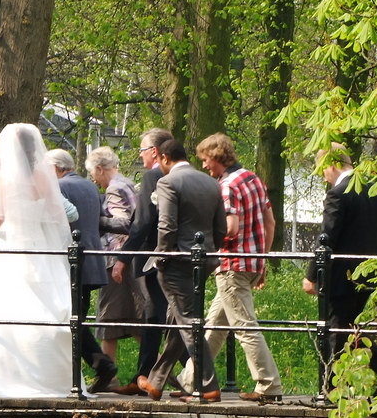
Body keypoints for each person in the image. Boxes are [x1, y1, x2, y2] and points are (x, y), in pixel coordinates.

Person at [0, 123, 75, 398]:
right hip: (40, 249)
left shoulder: (2, 179)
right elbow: (57, 214)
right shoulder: (43, 177)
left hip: (12, 246)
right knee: (43, 305)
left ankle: (1, 374)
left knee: (4, 307)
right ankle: (54, 378)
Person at [176, 133, 282, 403]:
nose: (204, 166)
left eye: (205, 160)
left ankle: (269, 384)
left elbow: (231, 227)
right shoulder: (253, 179)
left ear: (217, 156)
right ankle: (191, 381)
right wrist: (262, 260)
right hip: (250, 263)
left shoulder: (226, 186)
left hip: (232, 264)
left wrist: (204, 243)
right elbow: (270, 222)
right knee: (214, 326)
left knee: (244, 326)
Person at [136, 139, 228, 403]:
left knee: (187, 321)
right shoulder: (212, 183)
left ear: (164, 158)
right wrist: (208, 251)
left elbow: (166, 226)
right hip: (203, 260)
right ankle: (156, 382)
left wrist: (162, 258)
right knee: (176, 319)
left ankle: (208, 386)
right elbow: (220, 228)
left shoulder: (168, 183)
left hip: (177, 262)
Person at [301, 143, 377, 383]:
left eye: (322, 170)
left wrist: (311, 275)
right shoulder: (375, 190)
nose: (323, 176)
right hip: (369, 273)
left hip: (342, 276)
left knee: (337, 332)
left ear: (332, 164)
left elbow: (326, 237)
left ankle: (332, 388)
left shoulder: (338, 194)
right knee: (350, 332)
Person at [108, 128, 183, 396]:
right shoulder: (184, 175)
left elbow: (143, 221)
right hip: (179, 255)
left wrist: (122, 258)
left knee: (162, 315)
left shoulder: (153, 175)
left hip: (155, 256)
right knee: (162, 315)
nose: (140, 156)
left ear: (154, 151)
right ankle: (147, 376)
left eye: (142, 150)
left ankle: (192, 372)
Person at [47, 148, 118, 392]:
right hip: (93, 260)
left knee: (70, 319)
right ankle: (82, 372)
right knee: (76, 318)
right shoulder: (90, 186)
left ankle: (101, 365)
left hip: (71, 263)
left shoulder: (59, 187)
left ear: (54, 168)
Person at [85, 146, 146, 382]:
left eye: (94, 174)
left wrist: (94, 219)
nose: (94, 180)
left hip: (117, 259)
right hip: (129, 258)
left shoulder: (114, 188)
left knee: (108, 317)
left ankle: (110, 378)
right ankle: (156, 373)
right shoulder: (127, 183)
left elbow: (123, 223)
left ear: (100, 169)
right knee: (126, 320)